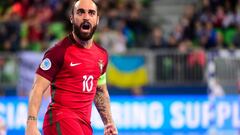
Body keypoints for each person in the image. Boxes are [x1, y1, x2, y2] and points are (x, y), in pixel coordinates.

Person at [25, 0, 118, 135]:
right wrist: (31, 124)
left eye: (91, 13)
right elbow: (37, 88)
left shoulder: (102, 56)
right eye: (80, 12)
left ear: (97, 20)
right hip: (61, 119)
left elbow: (100, 91)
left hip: (85, 125)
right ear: (71, 18)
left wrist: (109, 123)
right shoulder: (58, 52)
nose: (86, 17)